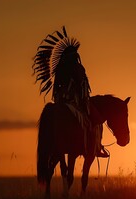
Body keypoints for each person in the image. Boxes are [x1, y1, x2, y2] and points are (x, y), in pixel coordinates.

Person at [33, 26, 109, 158]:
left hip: (60, 100)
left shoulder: (59, 70)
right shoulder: (77, 68)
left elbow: (59, 88)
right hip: (76, 101)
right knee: (97, 119)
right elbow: (81, 87)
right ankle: (96, 147)